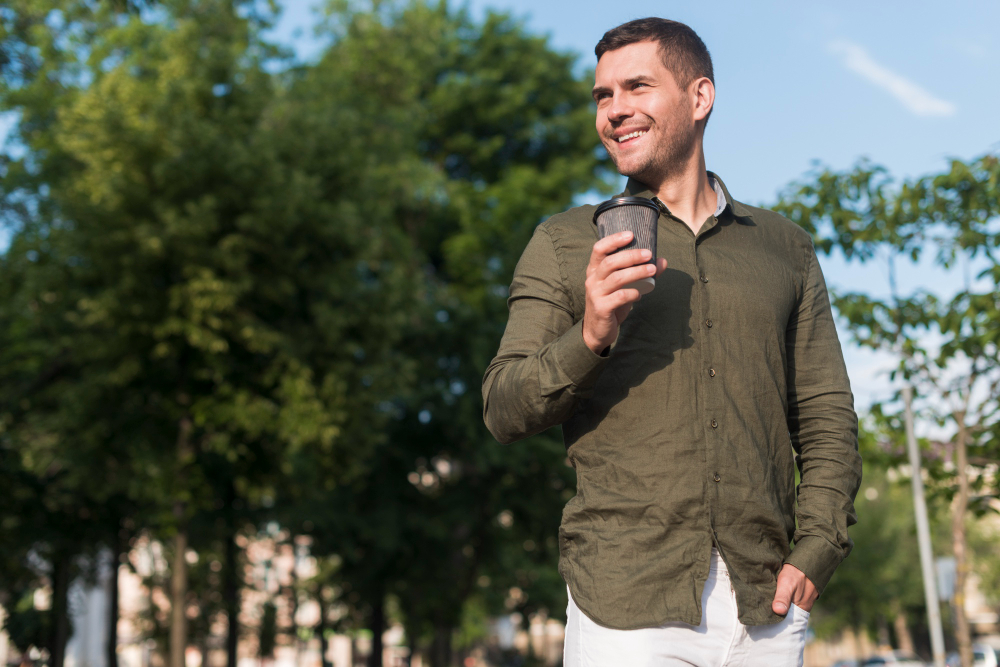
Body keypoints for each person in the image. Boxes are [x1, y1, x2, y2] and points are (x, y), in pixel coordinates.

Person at [481, 17, 862, 667]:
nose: (615, 110)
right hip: (624, 609)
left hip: (765, 608)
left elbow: (826, 417)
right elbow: (503, 407)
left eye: (636, 87)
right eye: (603, 96)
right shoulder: (565, 242)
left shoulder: (785, 248)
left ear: (699, 97)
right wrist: (592, 331)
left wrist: (816, 550)